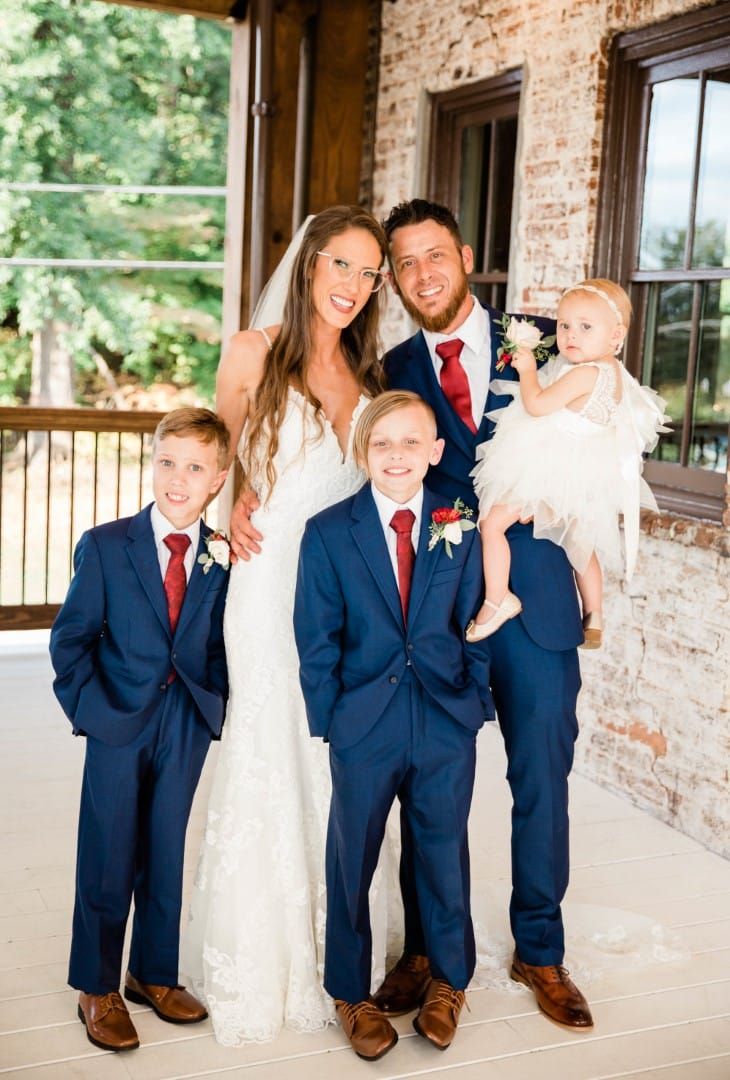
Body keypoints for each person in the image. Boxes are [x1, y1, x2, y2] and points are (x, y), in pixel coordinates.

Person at [377, 198, 593, 1028]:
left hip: (534, 597)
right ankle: (430, 946)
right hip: (431, 609)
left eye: (436, 254)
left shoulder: (549, 336)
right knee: (428, 783)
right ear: (395, 279)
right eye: (406, 263)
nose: (423, 273)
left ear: (466, 254)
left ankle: (540, 949)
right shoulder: (393, 365)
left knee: (541, 773)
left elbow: (608, 430)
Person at [180, 205, 393, 1045]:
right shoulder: (251, 353)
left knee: (340, 762)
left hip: (347, 602)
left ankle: (342, 950)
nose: (353, 285)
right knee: (276, 751)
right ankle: (267, 953)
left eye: (368, 273)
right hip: (267, 592)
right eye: (340, 264)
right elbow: (213, 460)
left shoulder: (368, 376)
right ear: (308, 266)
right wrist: (225, 512)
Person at [294, 391, 493, 1060]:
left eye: (413, 442)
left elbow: (479, 616)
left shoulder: (458, 520)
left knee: (443, 847)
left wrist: (472, 697)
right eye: (383, 443)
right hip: (364, 722)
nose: (398, 455)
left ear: (437, 452)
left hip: (443, 715)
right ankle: (350, 992)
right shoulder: (329, 531)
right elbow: (315, 638)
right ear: (362, 452)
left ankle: (449, 978)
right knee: (351, 856)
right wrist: (334, 720)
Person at [49, 407, 230, 1053]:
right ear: (152, 464)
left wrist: (213, 706)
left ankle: (151, 972)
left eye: (194, 468)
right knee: (107, 852)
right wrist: (93, 714)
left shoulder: (221, 555)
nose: (177, 480)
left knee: (165, 849)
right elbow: (71, 640)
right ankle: (94, 985)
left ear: (218, 478)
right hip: (118, 722)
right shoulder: (107, 545)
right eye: (167, 463)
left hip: (184, 722)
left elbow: (219, 643)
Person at [467, 279, 668, 644]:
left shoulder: (585, 373)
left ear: (615, 335)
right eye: (564, 325)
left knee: (492, 524)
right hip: (584, 474)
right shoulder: (618, 375)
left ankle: (498, 599)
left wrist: (527, 368)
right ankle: (594, 613)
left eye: (585, 327)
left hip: (548, 467)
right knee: (581, 544)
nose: (570, 335)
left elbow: (538, 405)